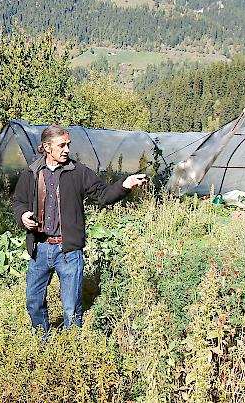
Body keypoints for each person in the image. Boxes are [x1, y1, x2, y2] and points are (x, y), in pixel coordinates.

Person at [12, 125, 147, 334]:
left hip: (68, 251)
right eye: (61, 145)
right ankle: (41, 338)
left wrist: (125, 184)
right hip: (40, 248)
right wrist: (23, 216)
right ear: (47, 148)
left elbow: (103, 194)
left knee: (71, 307)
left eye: (68, 145)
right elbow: (18, 200)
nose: (67, 149)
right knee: (33, 301)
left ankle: (72, 344)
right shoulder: (32, 172)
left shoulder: (78, 172)